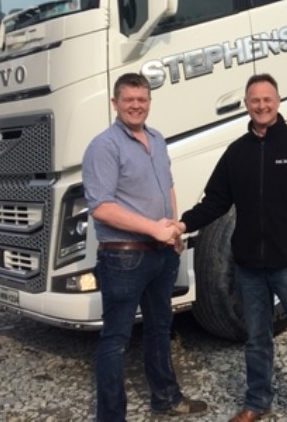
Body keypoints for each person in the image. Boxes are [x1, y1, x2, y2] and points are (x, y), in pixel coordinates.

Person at [175, 73, 287, 422]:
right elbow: (215, 201)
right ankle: (256, 402)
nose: (261, 106)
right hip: (248, 266)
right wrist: (184, 224)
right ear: (246, 105)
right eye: (254, 100)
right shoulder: (237, 152)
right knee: (256, 341)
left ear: (277, 101)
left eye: (267, 99)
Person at [82, 72, 208, 421]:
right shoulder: (104, 146)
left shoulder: (157, 139)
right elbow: (101, 207)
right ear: (115, 103)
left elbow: (166, 186)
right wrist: (153, 228)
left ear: (149, 103)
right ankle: (111, 416)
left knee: (160, 328)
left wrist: (174, 229)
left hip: (161, 254)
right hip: (124, 257)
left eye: (142, 100)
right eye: (129, 100)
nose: (136, 106)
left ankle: (165, 398)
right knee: (116, 339)